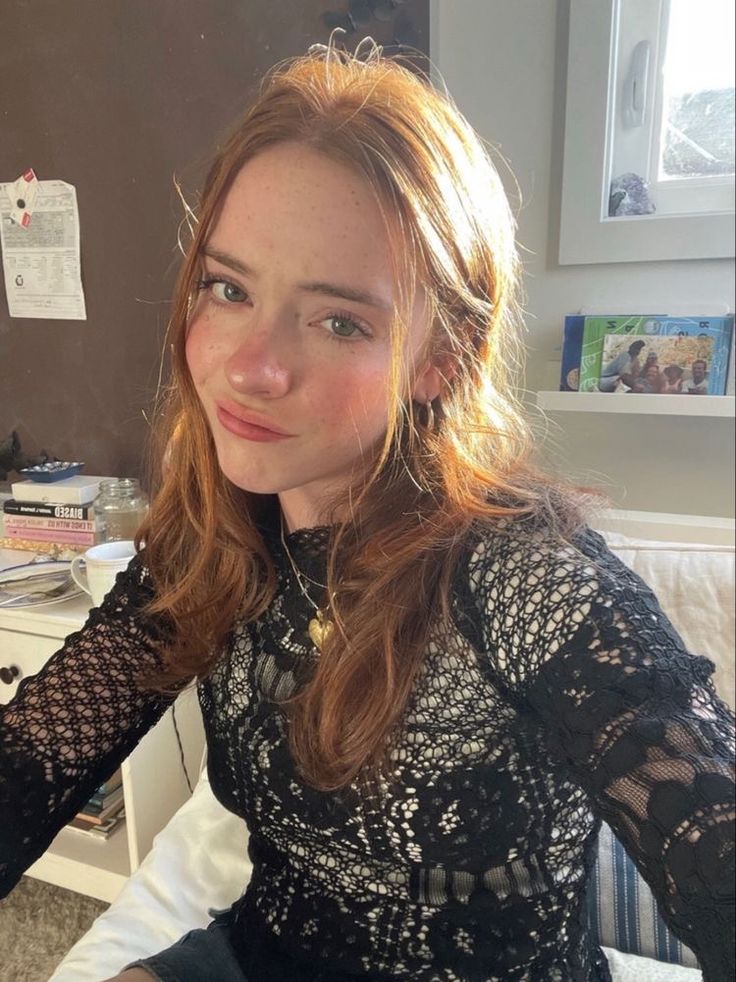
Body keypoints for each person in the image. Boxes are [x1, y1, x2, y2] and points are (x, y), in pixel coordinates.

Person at [1, 39, 734, 982]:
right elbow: (30, 764)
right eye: (229, 289)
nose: (248, 365)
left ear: (443, 358)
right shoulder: (213, 541)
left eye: (339, 320)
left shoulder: (534, 586)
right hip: (260, 953)